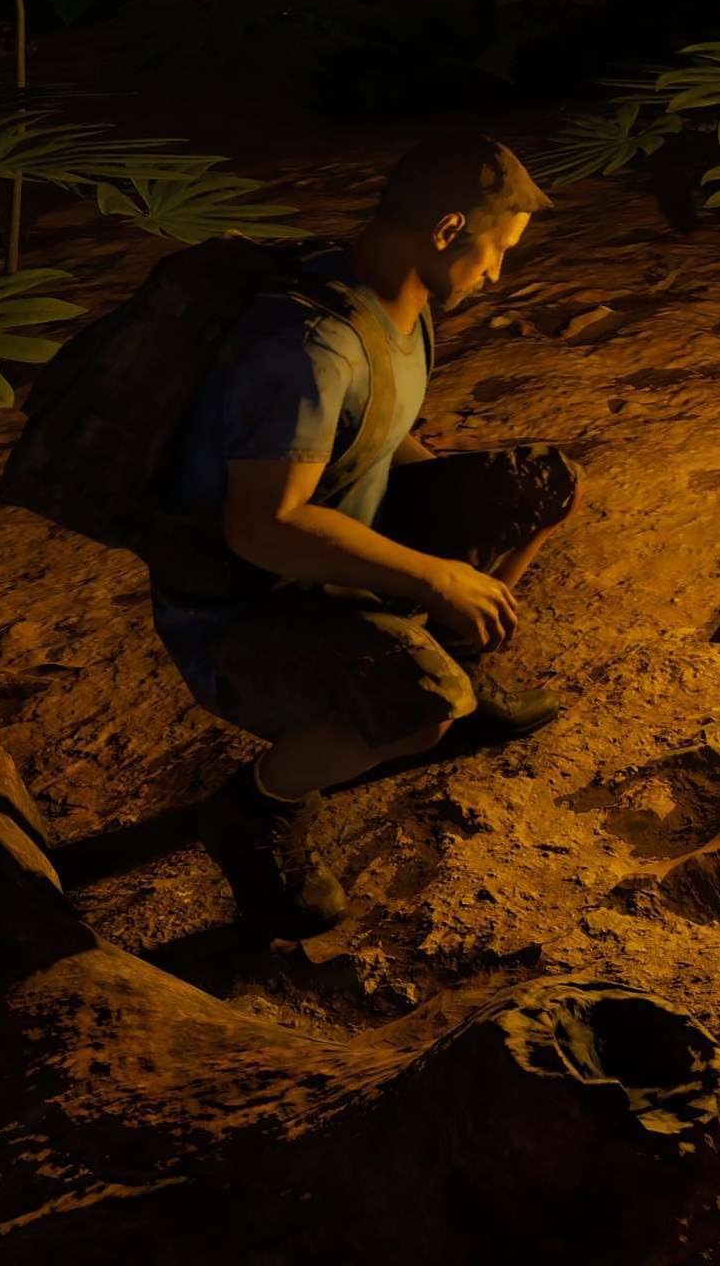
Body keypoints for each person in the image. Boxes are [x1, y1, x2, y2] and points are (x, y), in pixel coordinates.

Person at [155, 132, 582, 934]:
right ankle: (257, 810)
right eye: (497, 250)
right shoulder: (309, 346)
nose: (498, 273)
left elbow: (374, 433)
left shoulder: (397, 299)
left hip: (343, 534)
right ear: (448, 230)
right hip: (251, 604)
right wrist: (434, 575)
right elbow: (263, 526)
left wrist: (460, 516)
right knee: (425, 704)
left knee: (540, 485)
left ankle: (452, 655)